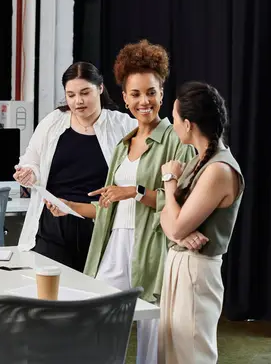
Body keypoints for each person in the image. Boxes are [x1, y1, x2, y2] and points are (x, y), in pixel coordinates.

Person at [54, 40, 195, 364]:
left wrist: (135, 191)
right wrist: (69, 206)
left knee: (150, 339)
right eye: (136, 94)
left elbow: (186, 204)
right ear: (124, 97)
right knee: (97, 328)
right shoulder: (122, 145)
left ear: (162, 93)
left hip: (153, 249)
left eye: (151, 92)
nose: (144, 101)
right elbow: (107, 206)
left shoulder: (176, 139)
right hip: (113, 246)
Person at [14, 61, 137, 272]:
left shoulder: (123, 125)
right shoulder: (54, 122)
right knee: (51, 295)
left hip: (98, 222)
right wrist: (28, 173)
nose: (78, 101)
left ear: (100, 88)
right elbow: (30, 160)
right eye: (71, 95)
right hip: (54, 223)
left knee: (93, 296)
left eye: (85, 93)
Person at [158, 82, 244, 363]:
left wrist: (169, 182)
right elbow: (165, 217)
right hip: (180, 262)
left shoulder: (218, 169)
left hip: (196, 269)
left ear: (189, 124)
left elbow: (176, 223)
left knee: (193, 353)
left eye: (174, 117)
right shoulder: (198, 161)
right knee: (173, 351)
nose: (172, 124)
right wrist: (179, 234)